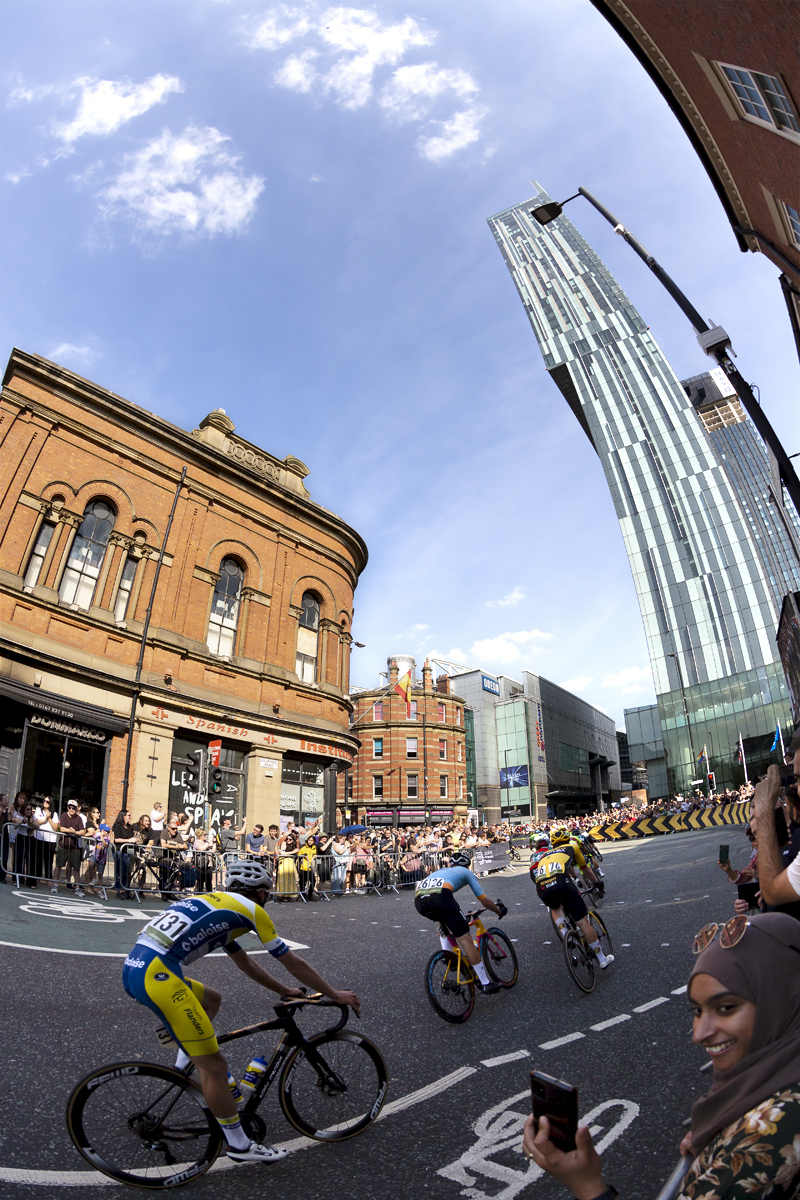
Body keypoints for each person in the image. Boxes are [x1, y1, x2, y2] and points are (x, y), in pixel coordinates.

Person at [521, 912, 800, 1200]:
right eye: (697, 1011)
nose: (699, 1034)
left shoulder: (765, 1135)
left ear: (783, 999)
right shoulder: (772, 1080)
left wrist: (586, 1183)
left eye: (726, 1008)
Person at [121, 859, 360, 1165]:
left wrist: (283, 991)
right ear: (259, 892)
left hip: (138, 970)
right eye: (267, 893)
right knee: (215, 1068)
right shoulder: (253, 912)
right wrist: (335, 994)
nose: (268, 899)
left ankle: (182, 1066)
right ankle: (239, 1144)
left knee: (212, 1000)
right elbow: (293, 963)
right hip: (159, 978)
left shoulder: (212, 902)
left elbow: (245, 962)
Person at [414, 851, 507, 994]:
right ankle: (485, 983)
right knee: (466, 940)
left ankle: (447, 956)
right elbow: (485, 901)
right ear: (467, 865)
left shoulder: (442, 871)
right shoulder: (466, 872)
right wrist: (499, 911)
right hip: (441, 897)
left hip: (420, 900)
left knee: (443, 923)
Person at [529, 835, 613, 969]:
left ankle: (564, 933)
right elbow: (585, 869)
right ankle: (602, 959)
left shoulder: (545, 854)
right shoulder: (572, 846)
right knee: (582, 922)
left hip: (541, 886)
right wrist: (596, 883)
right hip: (561, 881)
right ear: (567, 841)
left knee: (555, 908)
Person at [52, 798, 85, 896]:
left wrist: (74, 832)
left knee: (76, 868)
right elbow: (61, 828)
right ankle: (55, 884)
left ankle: (77, 888)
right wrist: (71, 831)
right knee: (59, 865)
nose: (71, 809)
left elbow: (82, 831)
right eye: (70, 807)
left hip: (74, 847)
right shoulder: (64, 815)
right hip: (63, 845)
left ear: (76, 809)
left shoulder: (78, 819)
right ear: (67, 807)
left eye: (73, 808)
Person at [111, 809, 135, 898]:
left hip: (127, 851)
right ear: (123, 816)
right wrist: (128, 840)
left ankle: (124, 889)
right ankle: (119, 890)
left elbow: (131, 836)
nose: (130, 817)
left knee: (126, 871)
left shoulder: (129, 827)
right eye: (128, 815)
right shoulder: (118, 825)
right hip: (119, 851)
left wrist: (133, 840)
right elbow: (116, 839)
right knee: (119, 871)